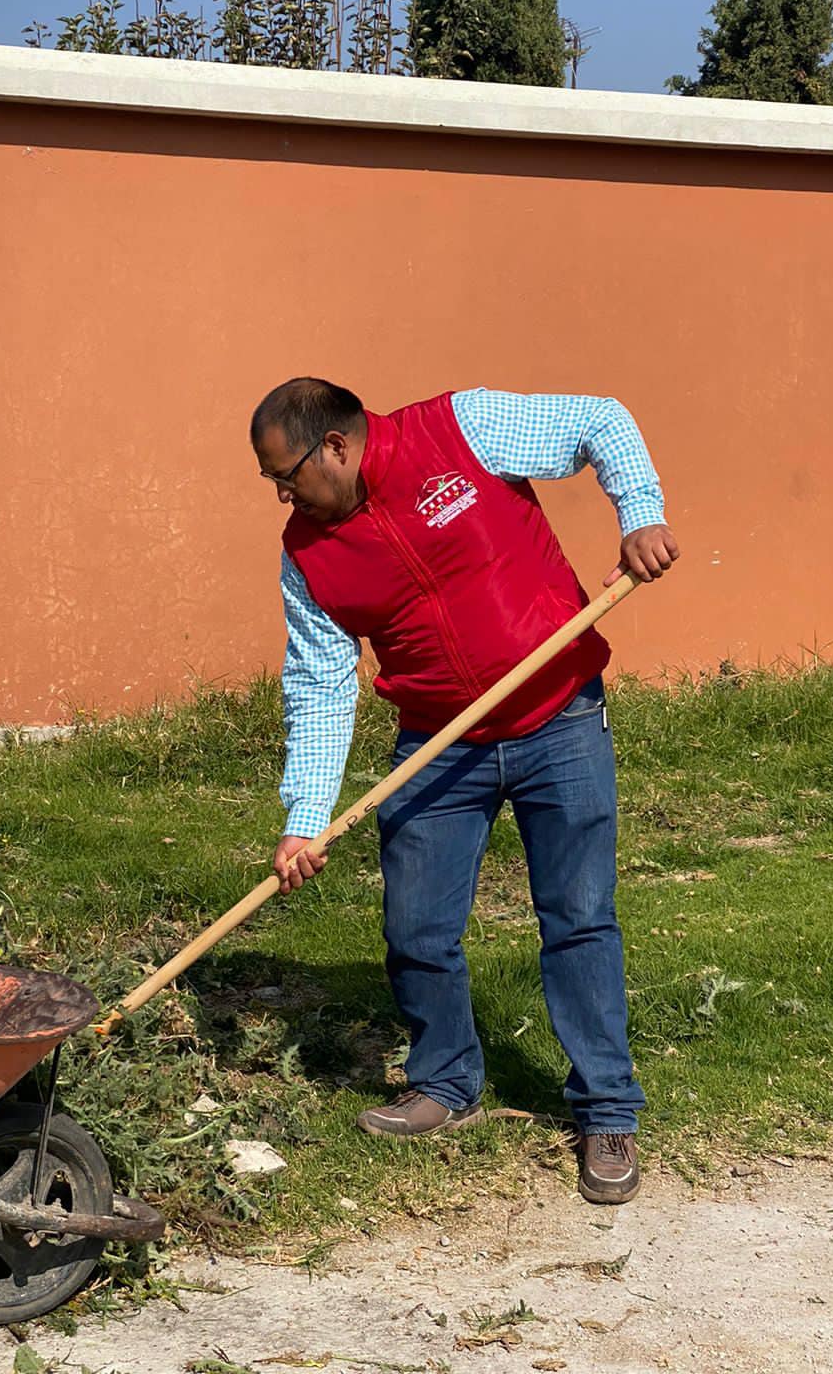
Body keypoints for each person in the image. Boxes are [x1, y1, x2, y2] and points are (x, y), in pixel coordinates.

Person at [250, 378, 678, 1205]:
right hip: (438, 748)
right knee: (417, 925)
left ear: (335, 446)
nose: (281, 493)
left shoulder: (462, 427)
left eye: (286, 474)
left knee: (579, 916)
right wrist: (306, 817)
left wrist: (641, 513)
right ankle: (444, 1083)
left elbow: (599, 420)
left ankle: (606, 1109)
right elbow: (319, 682)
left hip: (560, 719)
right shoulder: (307, 554)